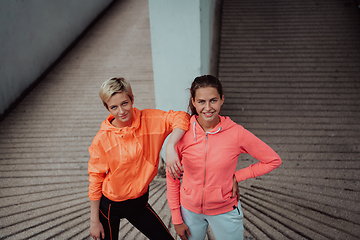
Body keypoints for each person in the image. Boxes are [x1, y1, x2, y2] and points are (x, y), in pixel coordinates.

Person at [166, 75, 282, 240]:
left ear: (222, 100)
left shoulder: (236, 133)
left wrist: (237, 176)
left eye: (213, 100)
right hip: (189, 212)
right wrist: (176, 218)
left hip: (225, 211)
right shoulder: (183, 133)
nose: (207, 107)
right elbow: (172, 178)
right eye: (201, 102)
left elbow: (273, 160)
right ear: (193, 101)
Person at [88, 77, 189, 240]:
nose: (121, 111)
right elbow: (95, 179)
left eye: (124, 103)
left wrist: (170, 146)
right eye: (114, 107)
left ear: (132, 99)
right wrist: (94, 221)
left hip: (139, 202)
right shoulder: (102, 139)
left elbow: (182, 117)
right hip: (110, 205)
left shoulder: (151, 120)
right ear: (107, 107)